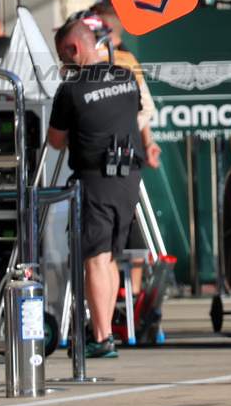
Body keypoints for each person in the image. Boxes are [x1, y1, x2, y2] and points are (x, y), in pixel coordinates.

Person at [47, 19, 158, 358]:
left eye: (62, 55)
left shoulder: (71, 88)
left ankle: (101, 336)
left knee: (94, 258)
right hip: (128, 180)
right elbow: (137, 116)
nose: (62, 62)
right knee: (108, 256)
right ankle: (104, 331)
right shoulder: (125, 77)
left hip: (95, 179)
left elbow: (55, 141)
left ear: (74, 49)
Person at [89, 2, 160, 170]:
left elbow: (144, 107)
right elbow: (139, 106)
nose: (87, 29)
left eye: (92, 23)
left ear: (105, 27)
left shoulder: (116, 58)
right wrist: (146, 142)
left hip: (105, 151)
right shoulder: (126, 57)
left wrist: (122, 131)